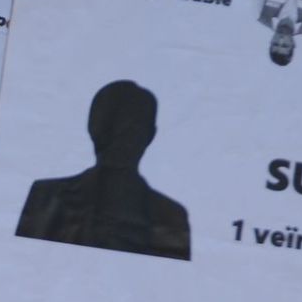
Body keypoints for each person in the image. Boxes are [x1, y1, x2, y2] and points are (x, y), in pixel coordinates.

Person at [15, 80, 191, 261]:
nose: (119, 141)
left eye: (131, 131)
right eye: (111, 127)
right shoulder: (46, 197)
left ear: (149, 135)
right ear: (93, 127)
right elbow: (22, 263)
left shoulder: (171, 216)